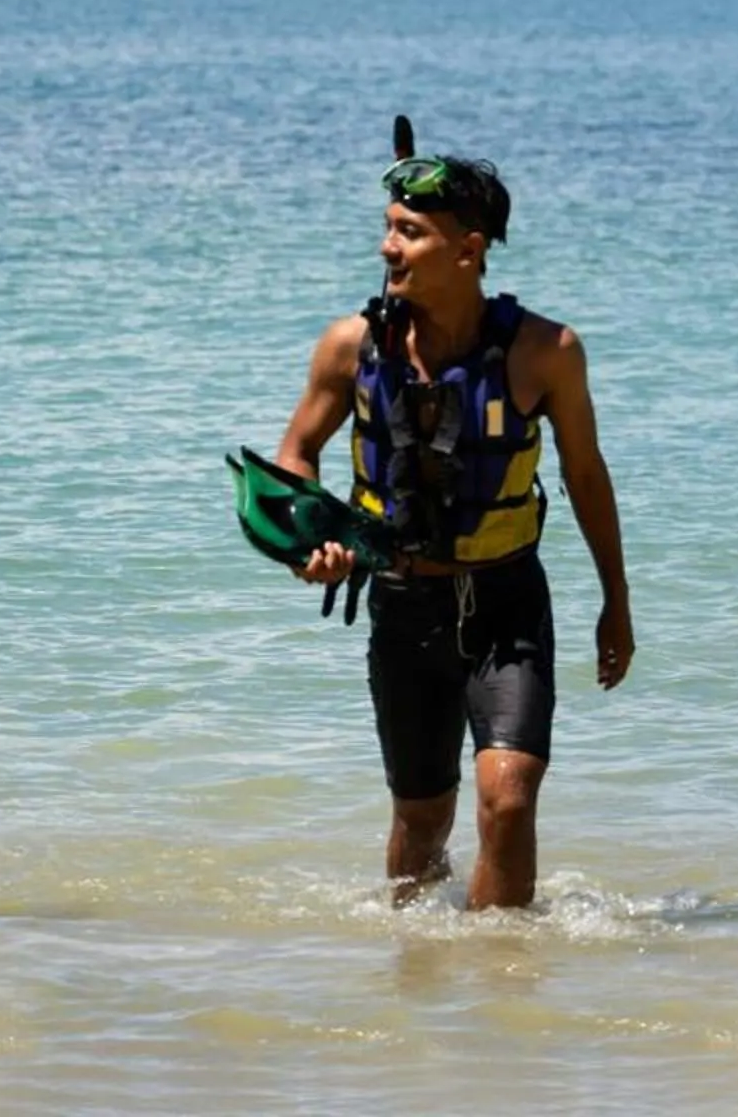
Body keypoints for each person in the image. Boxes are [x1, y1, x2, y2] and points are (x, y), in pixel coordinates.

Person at [265, 133, 632, 908]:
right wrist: (312, 544)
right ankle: (420, 983)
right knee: (423, 821)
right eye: (389, 225)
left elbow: (587, 476)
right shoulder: (351, 347)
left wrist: (616, 602)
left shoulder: (546, 352)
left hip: (508, 607)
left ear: (467, 250)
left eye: (409, 231)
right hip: (404, 606)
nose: (386, 246)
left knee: (509, 798)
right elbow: (295, 452)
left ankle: (501, 992)